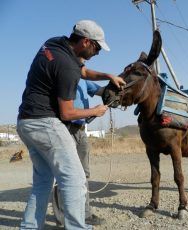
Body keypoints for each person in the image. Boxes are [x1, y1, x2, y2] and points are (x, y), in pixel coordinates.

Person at [17, 19, 125, 229]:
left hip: (25, 122)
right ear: (85, 42)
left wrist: (108, 75)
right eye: (97, 47)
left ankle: (29, 226)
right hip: (45, 123)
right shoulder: (65, 65)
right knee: (75, 180)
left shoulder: (55, 43)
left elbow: (82, 71)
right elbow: (67, 113)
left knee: (42, 182)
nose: (98, 52)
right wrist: (95, 111)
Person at [53, 78, 106, 226]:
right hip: (64, 129)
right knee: (64, 174)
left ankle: (85, 214)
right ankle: (62, 219)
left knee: (84, 174)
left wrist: (118, 83)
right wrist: (95, 111)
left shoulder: (83, 79)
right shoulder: (63, 71)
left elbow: (103, 91)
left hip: (81, 131)